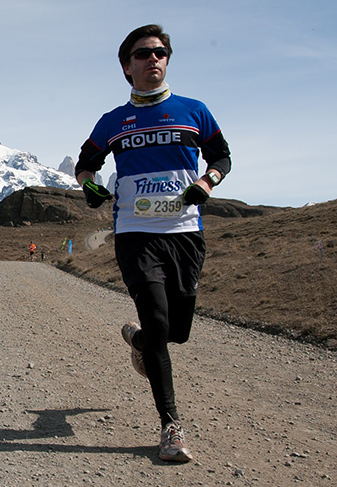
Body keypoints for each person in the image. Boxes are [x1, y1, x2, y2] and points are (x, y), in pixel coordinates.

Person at [74, 24, 231, 464]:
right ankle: (171, 427)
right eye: (143, 54)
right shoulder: (112, 122)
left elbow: (223, 156)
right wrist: (92, 187)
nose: (153, 60)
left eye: (160, 52)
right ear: (127, 67)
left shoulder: (194, 111)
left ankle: (142, 342)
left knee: (176, 331)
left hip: (184, 233)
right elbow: (85, 167)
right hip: (135, 235)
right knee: (161, 324)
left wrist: (207, 180)